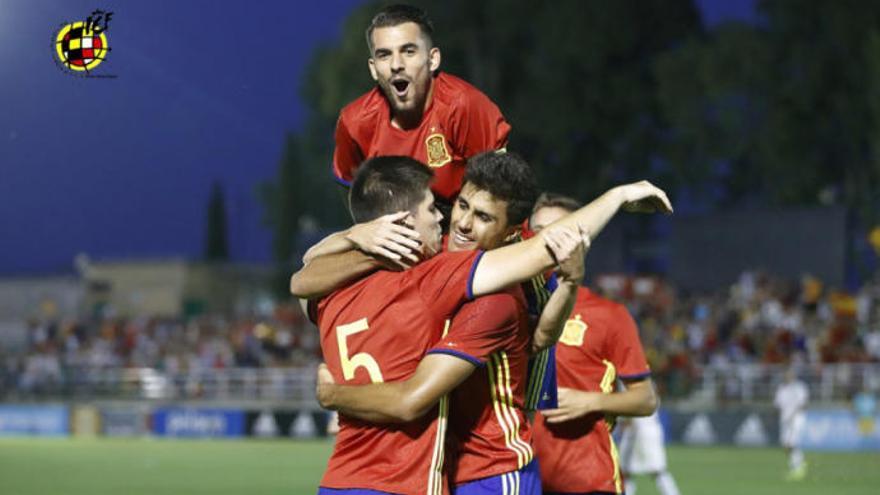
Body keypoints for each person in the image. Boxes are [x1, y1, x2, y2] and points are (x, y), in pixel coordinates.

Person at [291, 155, 672, 494]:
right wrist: (358, 236)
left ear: (511, 233)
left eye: (484, 217)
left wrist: (617, 198)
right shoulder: (432, 263)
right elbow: (303, 279)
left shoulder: (497, 296)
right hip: (436, 468)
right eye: (460, 206)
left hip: (491, 468)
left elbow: (540, 332)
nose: (460, 223)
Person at [526, 193, 662, 495]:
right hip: (518, 480)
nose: (545, 241)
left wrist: (590, 401)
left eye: (558, 231)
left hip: (588, 482)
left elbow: (646, 399)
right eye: (536, 231)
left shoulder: (610, 315)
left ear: (582, 241)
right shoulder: (509, 304)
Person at [332, 4, 510, 218]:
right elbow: (351, 191)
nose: (396, 64)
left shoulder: (463, 105)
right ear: (373, 68)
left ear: (432, 59)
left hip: (465, 231)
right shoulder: (354, 123)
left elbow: (502, 192)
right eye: (384, 55)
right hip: (397, 236)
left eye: (408, 51)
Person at [617, 412, 681, 495]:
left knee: (656, 470)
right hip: (645, 429)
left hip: (640, 431)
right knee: (627, 472)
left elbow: (631, 412)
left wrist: (623, 425)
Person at [773, 367, 808, 480]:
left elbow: (803, 403)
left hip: (796, 418)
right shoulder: (781, 389)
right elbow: (777, 404)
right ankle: (799, 463)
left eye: (790, 374)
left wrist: (794, 415)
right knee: (785, 445)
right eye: (786, 374)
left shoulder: (799, 387)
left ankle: (798, 469)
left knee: (791, 443)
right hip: (785, 419)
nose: (788, 376)